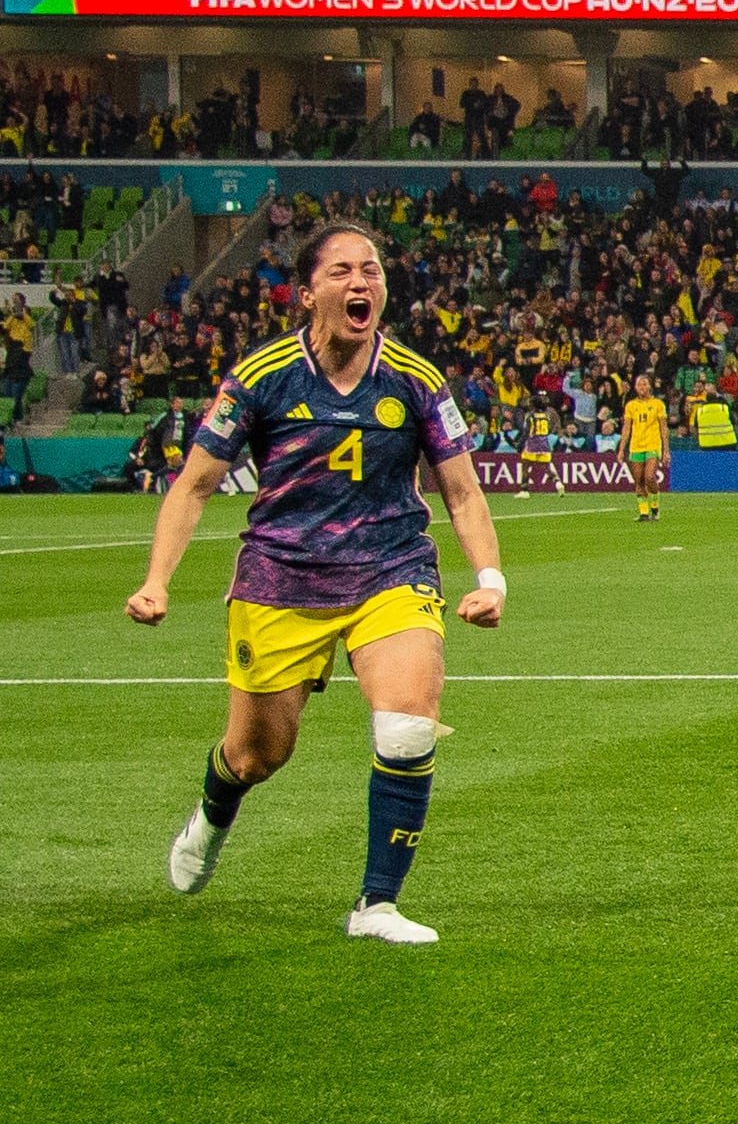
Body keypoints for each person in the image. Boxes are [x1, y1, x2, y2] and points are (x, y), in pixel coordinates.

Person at [124, 223, 507, 946]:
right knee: (257, 756)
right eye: (341, 271)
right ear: (308, 294)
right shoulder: (262, 376)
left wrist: (490, 579)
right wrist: (156, 582)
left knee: (406, 725)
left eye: (371, 270)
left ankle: (376, 905)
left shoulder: (416, 380)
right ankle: (213, 810)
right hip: (280, 580)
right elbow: (195, 485)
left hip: (390, 572)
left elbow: (460, 492)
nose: (361, 282)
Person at [618, 372, 668, 521]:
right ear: (635, 387)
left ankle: (655, 507)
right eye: (639, 384)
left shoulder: (658, 404)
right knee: (639, 479)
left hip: (652, 444)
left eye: (645, 384)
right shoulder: (631, 405)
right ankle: (644, 513)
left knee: (649, 477)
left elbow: (664, 429)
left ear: (650, 386)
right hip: (636, 446)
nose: (642, 387)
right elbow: (626, 429)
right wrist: (621, 450)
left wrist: (666, 451)